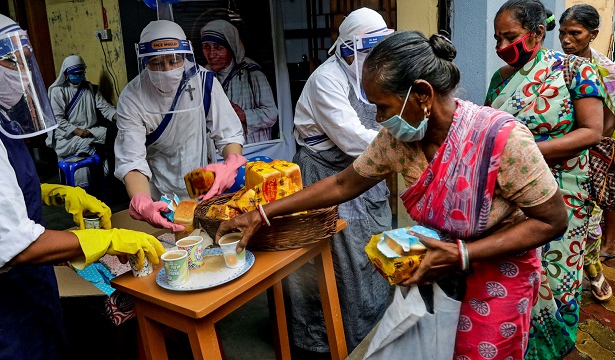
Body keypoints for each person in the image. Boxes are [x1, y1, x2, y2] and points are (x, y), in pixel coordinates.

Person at [218, 30, 568, 359]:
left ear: (422, 95)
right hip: (437, 267)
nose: (378, 118)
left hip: (499, 270)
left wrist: (464, 253)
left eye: (382, 107)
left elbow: (552, 220)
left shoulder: (502, 139)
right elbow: (342, 184)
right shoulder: (399, 141)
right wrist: (263, 212)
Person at [0, 9, 165, 358]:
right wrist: (105, 239)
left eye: (25, 61)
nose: (21, 73)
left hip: (29, 290)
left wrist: (56, 193)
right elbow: (16, 246)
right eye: (9, 63)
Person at [485, 0, 605, 358]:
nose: (501, 47)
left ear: (537, 34)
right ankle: (516, 344)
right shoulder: (499, 80)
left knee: (556, 276)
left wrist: (527, 151)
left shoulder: (575, 71)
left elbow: (591, 132)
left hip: (563, 194)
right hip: (512, 198)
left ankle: (554, 348)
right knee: (518, 275)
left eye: (510, 37)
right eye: (497, 39)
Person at [286, 7, 393, 354]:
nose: (372, 58)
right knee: (339, 266)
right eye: (366, 51)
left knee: (375, 254)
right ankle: (337, 343)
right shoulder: (326, 80)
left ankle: (376, 331)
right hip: (327, 175)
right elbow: (351, 139)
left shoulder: (377, 73)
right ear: (348, 50)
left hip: (366, 173)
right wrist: (407, 142)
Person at [115, 20, 246, 232]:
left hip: (204, 184)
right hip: (160, 191)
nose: (167, 70)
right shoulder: (132, 97)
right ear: (144, 61)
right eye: (157, 63)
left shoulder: (204, 82)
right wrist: (143, 201)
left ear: (185, 55)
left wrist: (231, 163)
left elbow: (229, 134)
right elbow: (132, 161)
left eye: (174, 61)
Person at [559, 3, 615, 303]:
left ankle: (592, 268)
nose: (567, 40)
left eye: (575, 33)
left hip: (591, 156)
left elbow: (607, 122)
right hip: (557, 154)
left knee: (589, 221)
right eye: (563, 32)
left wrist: (587, 151)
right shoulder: (552, 65)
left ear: (592, 35)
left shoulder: (606, 71)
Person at [200, 19, 278, 144]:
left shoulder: (251, 72)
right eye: (206, 47)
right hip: (219, 148)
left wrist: (244, 115)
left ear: (231, 47)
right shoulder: (203, 76)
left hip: (251, 146)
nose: (211, 54)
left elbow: (271, 113)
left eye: (218, 47)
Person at [47, 55, 118, 187]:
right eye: (75, 73)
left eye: (81, 72)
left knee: (114, 134)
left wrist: (119, 116)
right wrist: (77, 131)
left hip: (89, 130)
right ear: (67, 74)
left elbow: (106, 108)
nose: (78, 76)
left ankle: (112, 177)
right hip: (67, 136)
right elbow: (57, 119)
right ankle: (85, 185)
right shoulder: (57, 91)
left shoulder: (90, 88)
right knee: (88, 144)